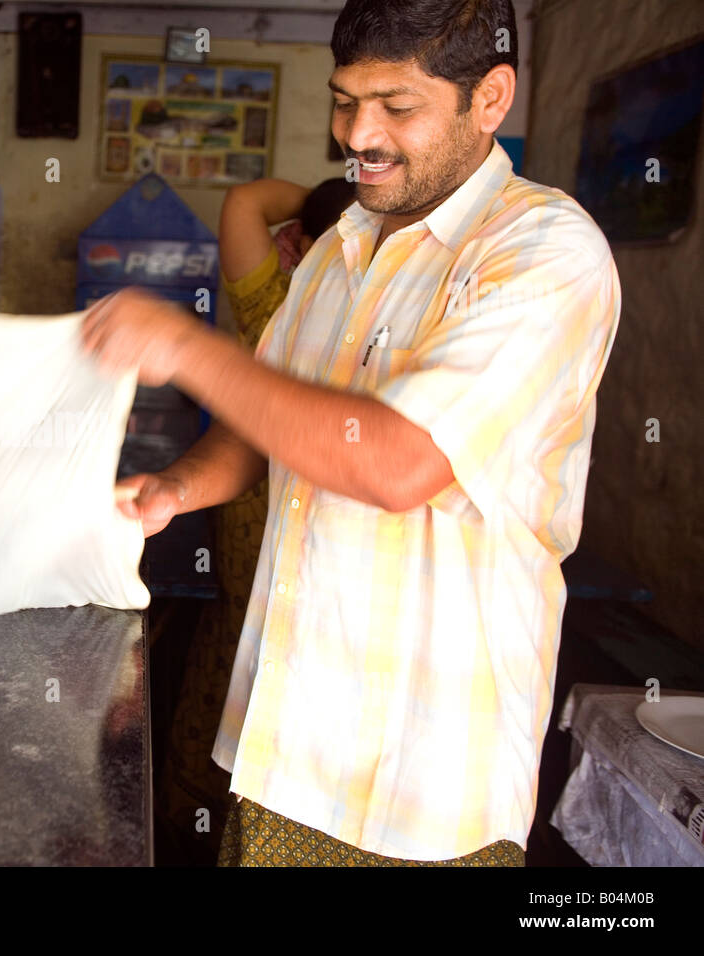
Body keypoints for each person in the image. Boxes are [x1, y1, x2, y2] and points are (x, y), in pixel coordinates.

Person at [81, 0, 621, 866]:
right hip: (281, 744)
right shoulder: (338, 249)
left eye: (396, 107)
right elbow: (269, 423)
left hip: (421, 792)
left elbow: (402, 460)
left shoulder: (542, 251)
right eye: (343, 100)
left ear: (491, 99)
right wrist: (178, 488)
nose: (357, 135)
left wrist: (183, 347)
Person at [158, 176, 356, 864]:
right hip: (272, 561)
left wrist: (340, 198)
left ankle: (195, 817)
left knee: (234, 660)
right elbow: (249, 435)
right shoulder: (297, 316)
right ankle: (211, 825)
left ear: (294, 243)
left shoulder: (274, 303)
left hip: (269, 562)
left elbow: (245, 202)